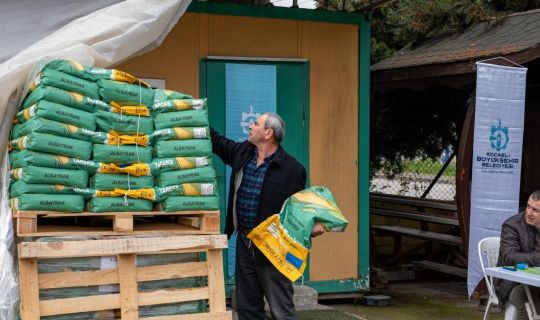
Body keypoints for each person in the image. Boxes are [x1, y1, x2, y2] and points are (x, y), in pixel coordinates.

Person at [211, 112, 324, 320]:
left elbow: (299, 209)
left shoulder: (293, 169)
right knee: (247, 308)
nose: (250, 126)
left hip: (272, 246)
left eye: (256, 123)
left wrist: (313, 225)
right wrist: (196, 120)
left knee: (281, 310)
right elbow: (218, 143)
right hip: (245, 242)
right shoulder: (243, 153)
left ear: (268, 133)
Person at [496, 190, 540, 315]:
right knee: (524, 295)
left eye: (535, 210)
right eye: (528, 206)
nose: (529, 213)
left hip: (537, 279)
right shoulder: (512, 225)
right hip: (511, 282)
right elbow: (510, 257)